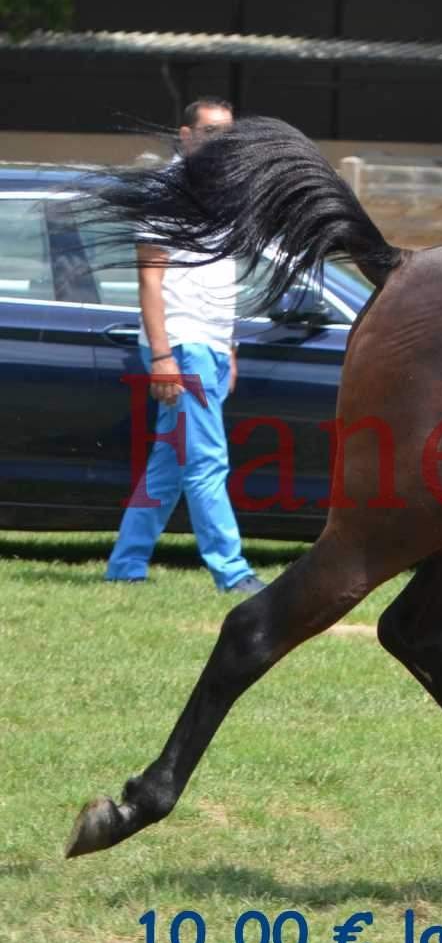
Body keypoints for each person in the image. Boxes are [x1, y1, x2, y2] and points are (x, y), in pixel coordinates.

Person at [105, 97, 266, 594]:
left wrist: (231, 347)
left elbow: (222, 278)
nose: (221, 140)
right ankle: (232, 571)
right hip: (183, 345)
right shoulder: (167, 192)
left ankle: (126, 564)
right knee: (207, 461)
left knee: (171, 462)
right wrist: (161, 355)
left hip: (212, 345)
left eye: (229, 132)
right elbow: (150, 281)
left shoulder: (225, 192)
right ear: (187, 135)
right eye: (211, 131)